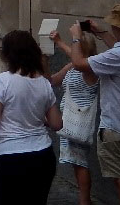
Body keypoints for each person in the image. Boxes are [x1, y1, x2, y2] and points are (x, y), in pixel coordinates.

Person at [63, 3, 120, 205]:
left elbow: (80, 64)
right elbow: (119, 50)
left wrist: (76, 37)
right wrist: (101, 33)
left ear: (118, 26)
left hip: (117, 128)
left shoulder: (119, 56)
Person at [0, 30, 63, 205]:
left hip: (12, 156)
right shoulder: (44, 83)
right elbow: (56, 124)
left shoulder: (3, 81)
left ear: (7, 54)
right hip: (42, 155)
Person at [48, 31, 100, 205]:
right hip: (68, 121)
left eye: (76, 45)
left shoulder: (91, 69)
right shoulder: (73, 66)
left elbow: (79, 62)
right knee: (77, 164)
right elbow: (53, 80)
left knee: (81, 163)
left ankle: (84, 201)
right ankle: (85, 200)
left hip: (79, 123)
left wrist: (60, 42)